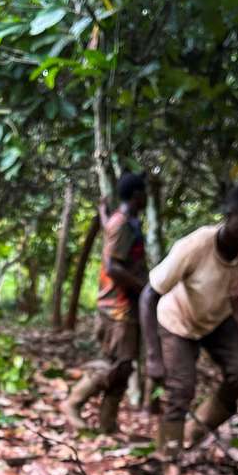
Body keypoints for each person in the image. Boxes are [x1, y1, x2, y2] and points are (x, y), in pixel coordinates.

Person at [140, 182, 238, 456]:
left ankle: (194, 432)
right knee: (181, 390)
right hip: (178, 321)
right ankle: (168, 454)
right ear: (229, 215)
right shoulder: (195, 245)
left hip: (218, 319)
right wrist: (153, 356)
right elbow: (149, 295)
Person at [62, 172, 149, 433]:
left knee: (124, 367)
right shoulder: (122, 224)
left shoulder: (124, 222)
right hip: (117, 307)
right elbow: (112, 267)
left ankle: (108, 424)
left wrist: (103, 212)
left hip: (126, 307)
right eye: (144, 193)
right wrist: (145, 288)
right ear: (136, 195)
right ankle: (73, 403)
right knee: (117, 364)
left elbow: (109, 234)